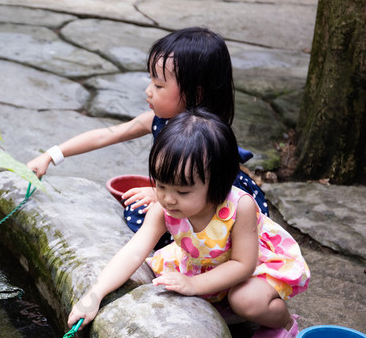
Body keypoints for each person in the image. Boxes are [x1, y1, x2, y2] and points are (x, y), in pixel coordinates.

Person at [67, 109, 310, 338]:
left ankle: (283, 325)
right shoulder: (163, 209)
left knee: (245, 301)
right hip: (205, 261)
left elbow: (243, 264)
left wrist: (194, 285)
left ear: (219, 183)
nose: (168, 199)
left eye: (183, 192)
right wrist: (94, 295)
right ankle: (222, 298)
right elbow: (134, 250)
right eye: (160, 185)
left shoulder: (240, 207)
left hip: (251, 265)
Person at [27, 27, 268, 239]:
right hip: (183, 204)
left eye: (159, 85)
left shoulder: (207, 139)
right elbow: (106, 134)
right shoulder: (157, 120)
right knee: (138, 209)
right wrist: (51, 155)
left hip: (219, 214)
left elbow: (207, 195)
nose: (148, 91)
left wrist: (161, 194)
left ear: (196, 95)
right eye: (150, 80)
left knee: (143, 215)